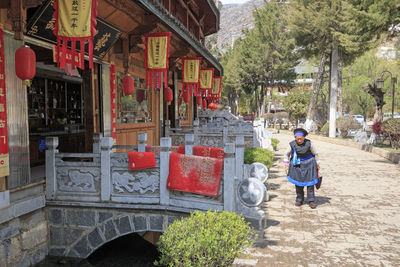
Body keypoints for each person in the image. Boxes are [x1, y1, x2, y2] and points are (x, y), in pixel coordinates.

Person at [283, 128, 320, 209]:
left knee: (310, 184)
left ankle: (311, 201)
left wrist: (317, 164)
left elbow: (316, 154)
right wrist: (286, 166)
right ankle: (299, 200)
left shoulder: (309, 143)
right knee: (298, 183)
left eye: (301, 139)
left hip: (309, 164)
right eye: (297, 139)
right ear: (295, 138)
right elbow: (286, 154)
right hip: (297, 166)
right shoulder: (292, 144)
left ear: (304, 138)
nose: (299, 140)